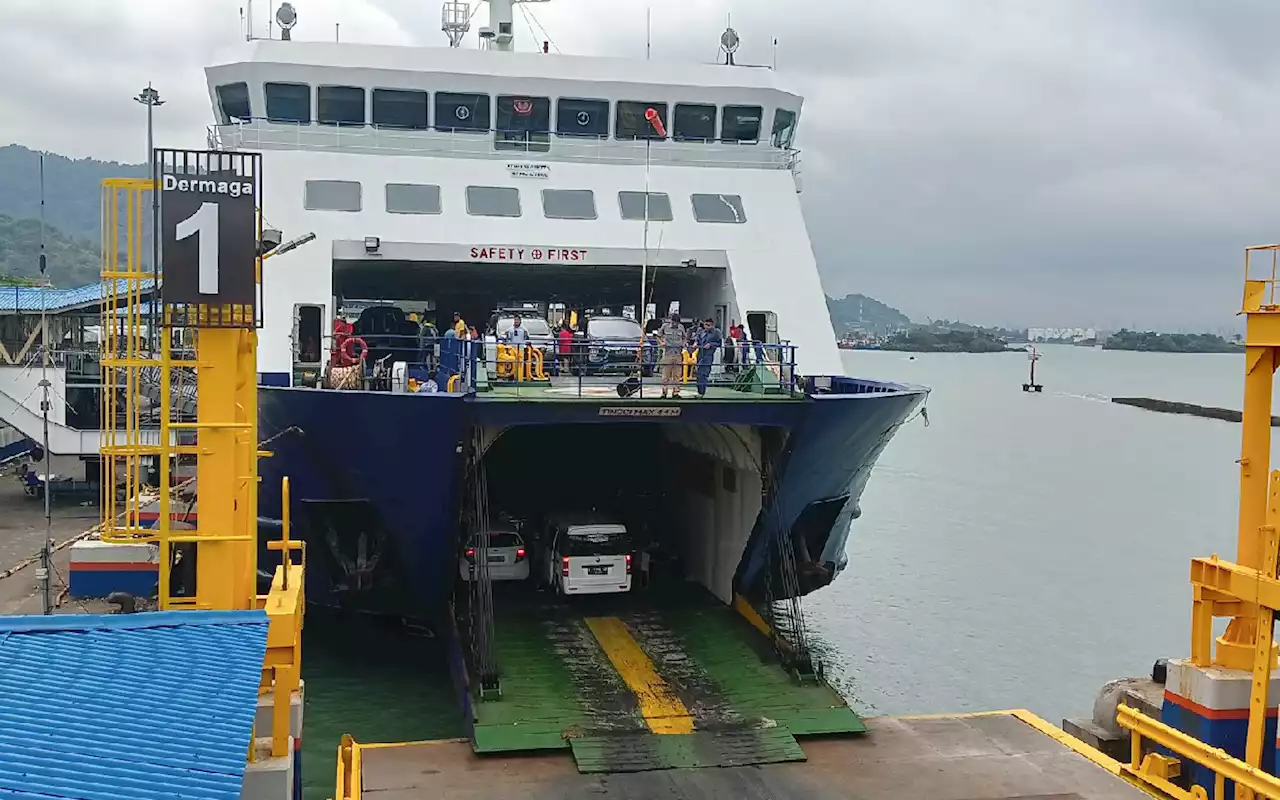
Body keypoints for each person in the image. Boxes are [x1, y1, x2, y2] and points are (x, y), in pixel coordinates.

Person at [656, 312, 686, 399]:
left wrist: (684, 343)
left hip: (678, 353)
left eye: (677, 322)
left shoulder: (681, 328)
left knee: (677, 374)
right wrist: (661, 343)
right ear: (671, 321)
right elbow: (658, 336)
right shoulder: (665, 326)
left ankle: (675, 393)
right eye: (674, 322)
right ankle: (664, 392)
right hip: (668, 353)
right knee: (666, 374)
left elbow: (684, 337)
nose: (675, 324)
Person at [694, 317, 722, 398]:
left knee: (704, 373)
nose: (706, 327)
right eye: (705, 325)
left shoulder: (716, 332)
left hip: (708, 355)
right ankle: (699, 391)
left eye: (708, 325)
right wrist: (695, 343)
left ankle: (702, 392)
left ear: (712, 325)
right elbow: (698, 339)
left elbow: (719, 343)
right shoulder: (701, 332)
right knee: (698, 373)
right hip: (700, 354)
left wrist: (711, 344)